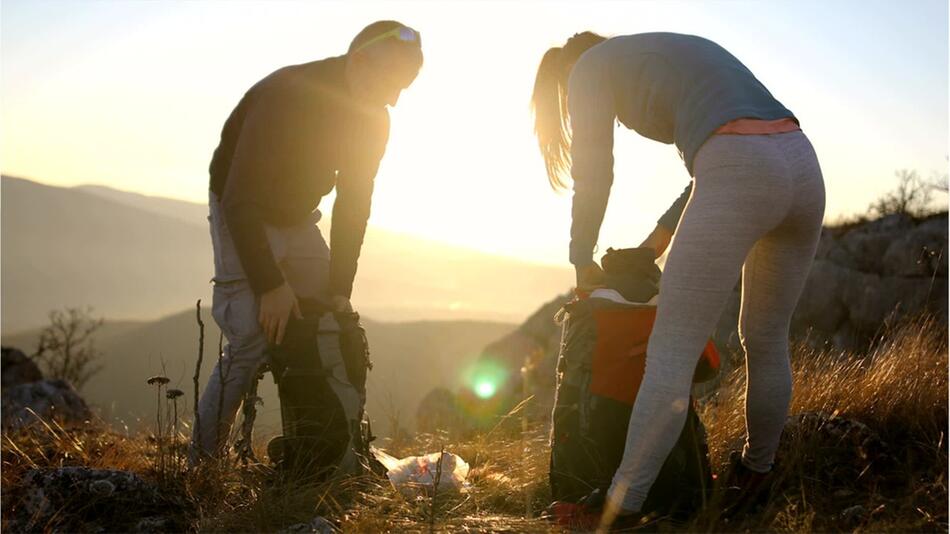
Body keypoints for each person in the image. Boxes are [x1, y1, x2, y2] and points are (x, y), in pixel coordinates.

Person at [531, 32, 825, 523]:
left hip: (739, 167)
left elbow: (595, 171)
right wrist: (653, 247)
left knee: (668, 355)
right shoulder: (662, 54)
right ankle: (756, 475)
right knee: (766, 337)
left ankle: (621, 508)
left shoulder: (588, 67)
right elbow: (713, 167)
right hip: (802, 163)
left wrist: (581, 256)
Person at [193, 21, 423, 459]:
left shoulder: (375, 118)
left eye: (404, 88)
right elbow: (240, 199)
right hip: (241, 210)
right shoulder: (288, 95)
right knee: (250, 340)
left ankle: (318, 449)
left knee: (329, 325)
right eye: (391, 83)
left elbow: (355, 204)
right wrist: (270, 285)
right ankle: (202, 468)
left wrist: (339, 289)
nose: (395, 98)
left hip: (298, 217)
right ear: (358, 62)